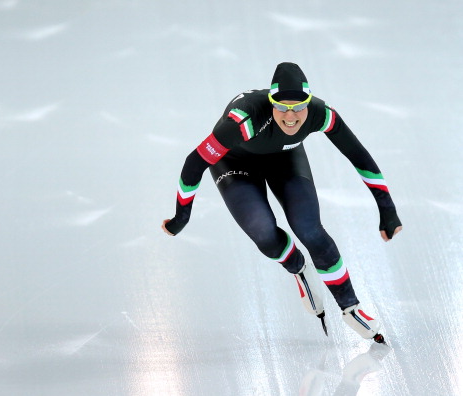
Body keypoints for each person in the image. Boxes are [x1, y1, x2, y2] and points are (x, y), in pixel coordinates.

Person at [162, 62, 402, 343]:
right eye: (282, 107)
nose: (291, 116)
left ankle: (350, 307)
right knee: (264, 233)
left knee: (309, 229)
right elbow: (194, 163)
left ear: (309, 104)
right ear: (271, 102)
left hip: (284, 158)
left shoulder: (321, 114)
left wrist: (387, 209)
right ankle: (298, 266)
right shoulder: (244, 121)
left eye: (299, 107)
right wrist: (181, 218)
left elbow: (359, 157)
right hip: (235, 161)